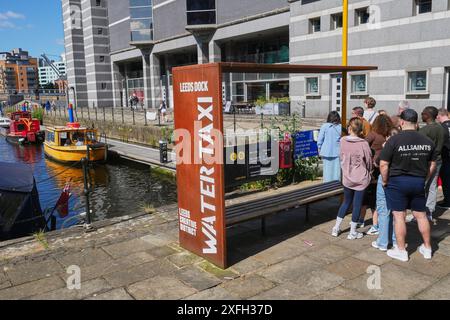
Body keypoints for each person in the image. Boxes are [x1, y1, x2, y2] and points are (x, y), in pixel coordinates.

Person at [380, 109, 437, 262]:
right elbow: (433, 164)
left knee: (399, 216)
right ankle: (427, 248)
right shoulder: (427, 141)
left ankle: (401, 251)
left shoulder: (394, 140)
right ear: (417, 123)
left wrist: (385, 181)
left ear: (402, 122)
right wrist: (424, 178)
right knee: (421, 215)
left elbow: (384, 164)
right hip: (418, 181)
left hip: (397, 182)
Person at [331, 117, 373, 240]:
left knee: (346, 202)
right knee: (357, 205)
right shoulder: (364, 143)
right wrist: (369, 172)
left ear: (349, 128)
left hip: (347, 177)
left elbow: (341, 156)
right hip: (361, 178)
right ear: (361, 130)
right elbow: (369, 161)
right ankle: (353, 231)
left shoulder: (343, 140)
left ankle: (336, 227)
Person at [359, 114, 395, 235]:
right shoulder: (390, 135)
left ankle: (363, 220)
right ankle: (379, 219)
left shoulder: (373, 134)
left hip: (374, 167)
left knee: (368, 195)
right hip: (387, 166)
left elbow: (363, 145)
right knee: (381, 194)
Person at [372, 125, 399, 251]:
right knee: (396, 213)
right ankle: (394, 240)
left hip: (385, 180)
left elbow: (378, 163)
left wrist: (384, 180)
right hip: (398, 182)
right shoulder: (402, 148)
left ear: (388, 137)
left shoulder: (387, 148)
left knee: (383, 211)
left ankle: (382, 242)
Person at [419, 106, 446, 220]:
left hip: (426, 161)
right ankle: (429, 212)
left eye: (423, 113)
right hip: (438, 159)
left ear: (427, 115)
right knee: (432, 186)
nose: (421, 115)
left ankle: (421, 212)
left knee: (422, 185)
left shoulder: (424, 130)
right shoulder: (441, 128)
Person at [317, 111, 342, 182]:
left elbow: (320, 139)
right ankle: (336, 185)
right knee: (337, 170)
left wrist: (319, 148)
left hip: (326, 152)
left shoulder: (324, 126)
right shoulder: (340, 127)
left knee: (327, 170)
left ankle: (327, 184)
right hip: (338, 152)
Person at [437, 108, 450, 208]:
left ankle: (448, 201)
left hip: (446, 157)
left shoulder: (440, 128)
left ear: (439, 115)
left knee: (446, 180)